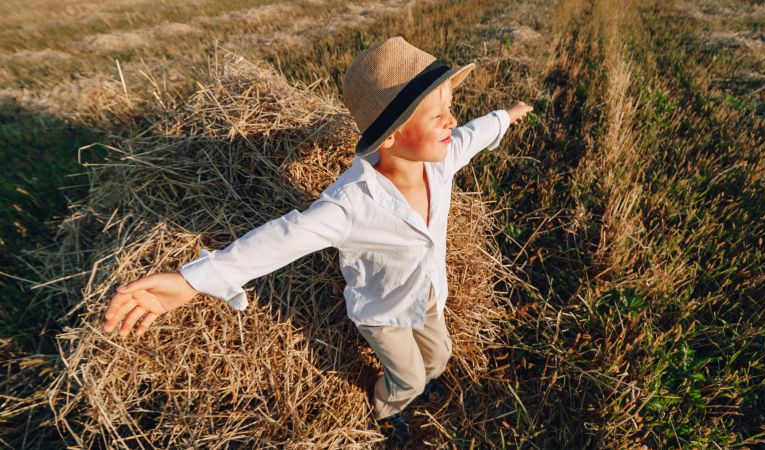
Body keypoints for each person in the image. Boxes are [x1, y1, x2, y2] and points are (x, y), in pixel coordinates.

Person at [102, 36, 532, 446]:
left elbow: (470, 137)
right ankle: (388, 408)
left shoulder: (438, 163)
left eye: (450, 107)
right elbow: (281, 239)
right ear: (393, 134)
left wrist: (505, 117)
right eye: (437, 114)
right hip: (382, 312)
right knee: (410, 378)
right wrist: (192, 280)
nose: (451, 121)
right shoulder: (350, 205)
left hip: (428, 294)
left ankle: (419, 383)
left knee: (439, 359)